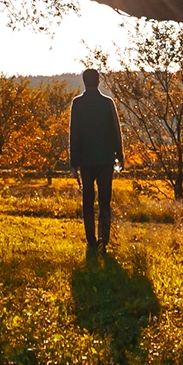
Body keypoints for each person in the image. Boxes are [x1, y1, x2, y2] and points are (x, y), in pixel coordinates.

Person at [68, 67, 124, 253]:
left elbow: (74, 134)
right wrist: (120, 156)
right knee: (104, 200)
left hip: (85, 160)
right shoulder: (107, 103)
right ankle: (104, 238)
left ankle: (91, 239)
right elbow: (116, 131)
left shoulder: (77, 103)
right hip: (106, 158)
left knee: (88, 200)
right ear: (98, 81)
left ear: (84, 82)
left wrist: (73, 162)